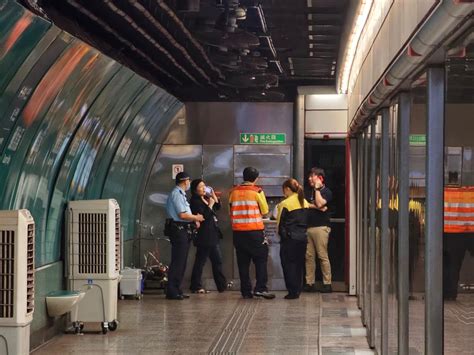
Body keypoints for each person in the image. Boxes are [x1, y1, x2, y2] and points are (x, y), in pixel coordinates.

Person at [229, 167, 275, 299]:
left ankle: (245, 291)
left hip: (238, 233)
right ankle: (260, 288)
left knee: (243, 263)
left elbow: (230, 211)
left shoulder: (233, 192)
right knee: (260, 260)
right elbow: (265, 210)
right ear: (256, 178)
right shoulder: (257, 191)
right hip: (254, 232)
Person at [165, 172, 204, 300]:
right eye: (188, 181)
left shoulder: (182, 194)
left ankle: (177, 288)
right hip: (178, 229)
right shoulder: (176, 194)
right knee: (178, 261)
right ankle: (172, 290)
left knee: (182, 261)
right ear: (185, 181)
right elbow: (182, 215)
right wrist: (196, 217)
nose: (189, 183)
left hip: (183, 229)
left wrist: (193, 220)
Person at [189, 179, 228, 293]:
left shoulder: (204, 199)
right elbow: (204, 216)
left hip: (212, 234)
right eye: (201, 186)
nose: (204, 188)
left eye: (204, 186)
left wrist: (214, 197)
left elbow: (217, 208)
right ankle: (197, 285)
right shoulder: (195, 201)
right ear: (195, 189)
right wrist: (210, 205)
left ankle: (221, 286)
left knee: (215, 261)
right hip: (204, 236)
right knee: (202, 261)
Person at [277, 179, 309, 299]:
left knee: (288, 265)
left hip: (289, 240)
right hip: (302, 238)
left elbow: (280, 224)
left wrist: (283, 236)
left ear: (288, 189)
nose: (283, 192)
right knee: (299, 265)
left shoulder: (285, 204)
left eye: (284, 189)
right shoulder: (304, 202)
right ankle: (297, 290)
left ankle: (292, 291)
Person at [305, 167, 333, 293]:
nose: (309, 178)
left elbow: (321, 203)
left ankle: (327, 283)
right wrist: (315, 206)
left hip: (321, 227)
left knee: (322, 255)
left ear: (320, 178)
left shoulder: (326, 191)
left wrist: (317, 189)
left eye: (313, 176)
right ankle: (309, 282)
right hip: (308, 227)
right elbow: (305, 205)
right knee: (309, 256)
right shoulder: (307, 191)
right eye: (310, 176)